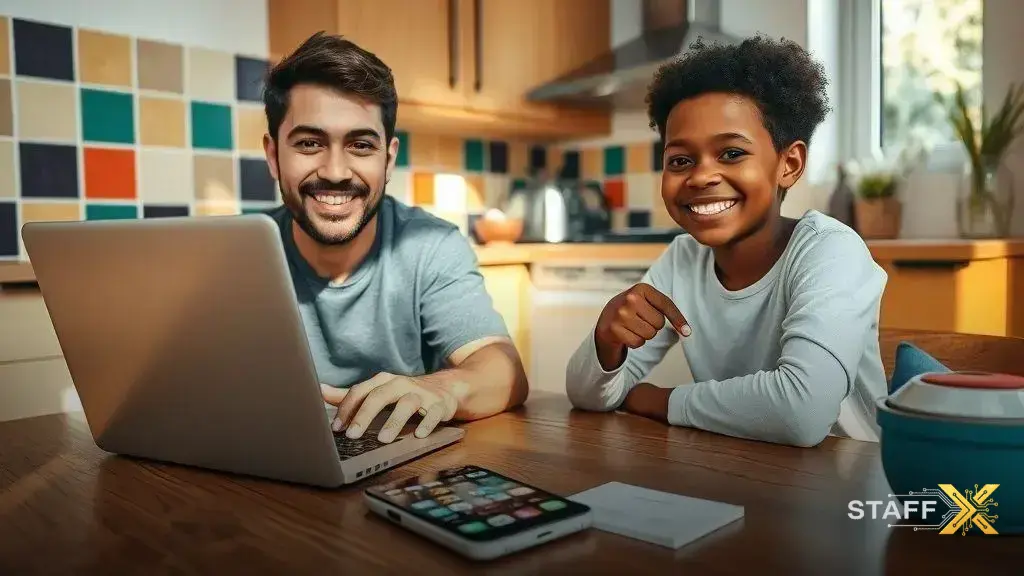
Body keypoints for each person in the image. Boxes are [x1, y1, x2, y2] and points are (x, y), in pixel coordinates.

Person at [564, 35, 888, 448]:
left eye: (732, 153)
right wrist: (606, 343)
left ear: (788, 165)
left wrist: (661, 401)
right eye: (680, 160)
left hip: (847, 485)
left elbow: (801, 412)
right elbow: (587, 397)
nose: (700, 177)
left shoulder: (831, 251)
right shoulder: (683, 258)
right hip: (742, 472)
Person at [261, 32, 528, 444]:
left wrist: (439, 390)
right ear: (274, 155)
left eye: (361, 145)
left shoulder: (430, 245)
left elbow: (503, 370)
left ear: (388, 160)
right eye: (310, 143)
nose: (335, 171)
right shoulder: (238, 255)